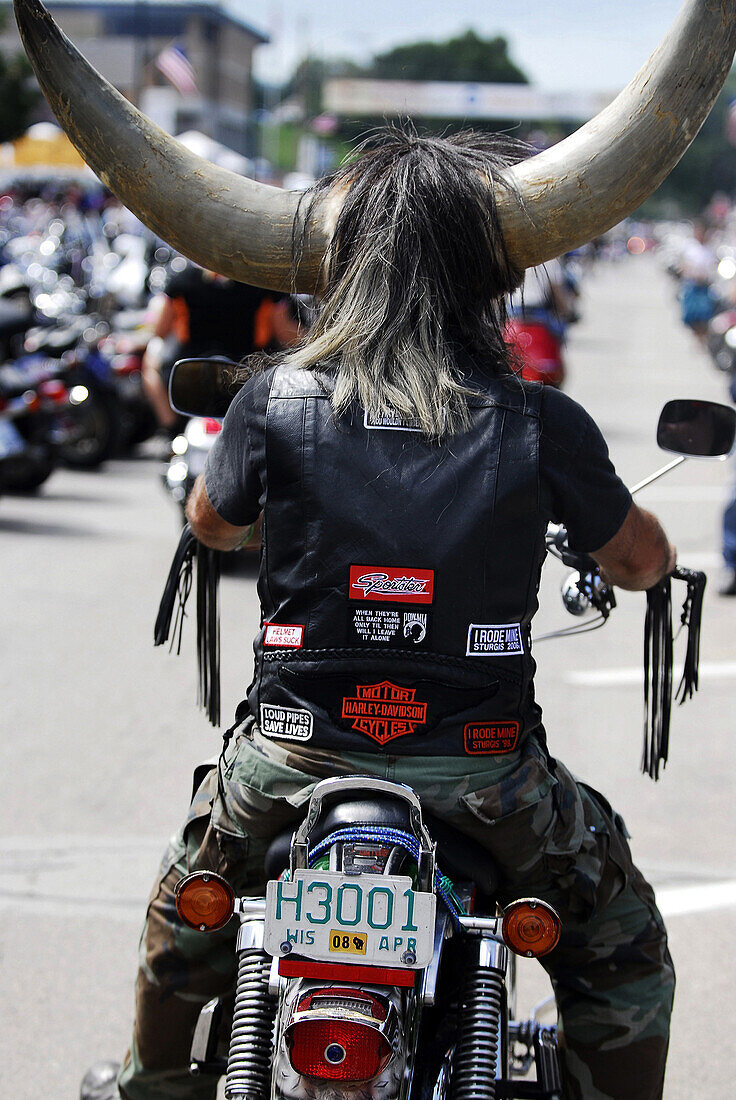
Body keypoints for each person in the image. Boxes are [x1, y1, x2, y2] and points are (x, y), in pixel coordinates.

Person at [85, 130, 677, 1100]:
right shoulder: (539, 422)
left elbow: (211, 525)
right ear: (486, 279)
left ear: (339, 273)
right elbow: (641, 559)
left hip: (289, 759)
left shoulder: (274, 399)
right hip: (487, 773)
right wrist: (633, 545)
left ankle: (150, 1083)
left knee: (186, 919)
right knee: (619, 943)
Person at [141, 263, 301, 434]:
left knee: (149, 363)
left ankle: (172, 430)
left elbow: (159, 331)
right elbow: (287, 336)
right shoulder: (264, 284)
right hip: (246, 372)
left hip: (191, 372)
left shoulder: (182, 281)